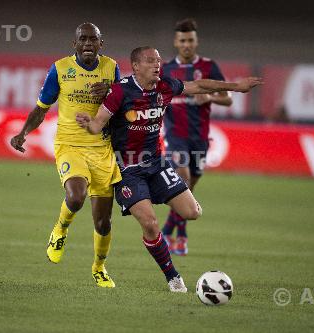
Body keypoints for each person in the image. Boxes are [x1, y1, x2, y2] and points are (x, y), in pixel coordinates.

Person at [76, 46, 262, 292]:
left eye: (159, 61)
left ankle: (163, 199)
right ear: (136, 66)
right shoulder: (120, 91)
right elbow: (98, 125)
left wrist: (236, 87)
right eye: (151, 61)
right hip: (127, 169)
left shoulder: (165, 86)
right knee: (150, 223)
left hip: (156, 163)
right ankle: (173, 277)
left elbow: (199, 86)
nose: (157, 65)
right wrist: (89, 125)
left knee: (192, 212)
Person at [10, 23, 121, 288]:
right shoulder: (60, 69)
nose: (87, 44)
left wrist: (110, 91)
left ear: (100, 43)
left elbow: (123, 103)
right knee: (76, 195)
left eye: (92, 39)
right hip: (69, 144)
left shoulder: (112, 68)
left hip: (102, 149)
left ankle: (99, 267)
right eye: (82, 39)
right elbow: (41, 108)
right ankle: (60, 230)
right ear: (74, 44)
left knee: (103, 221)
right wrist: (23, 132)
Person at [160, 18, 234, 256]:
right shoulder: (166, 70)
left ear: (196, 41)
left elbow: (228, 98)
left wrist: (210, 97)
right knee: (182, 177)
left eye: (190, 40)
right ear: (176, 42)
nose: (187, 44)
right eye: (182, 40)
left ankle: (168, 229)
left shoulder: (209, 67)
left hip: (199, 139)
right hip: (175, 136)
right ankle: (180, 237)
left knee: (187, 190)